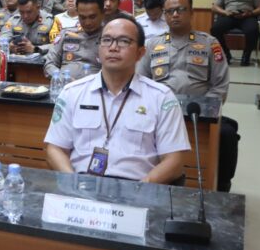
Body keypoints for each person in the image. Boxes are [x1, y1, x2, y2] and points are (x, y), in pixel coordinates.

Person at [44, 15, 190, 184]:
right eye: (106, 40)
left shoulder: (161, 97)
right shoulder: (72, 92)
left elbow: (175, 160)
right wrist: (73, 183)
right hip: (82, 186)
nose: (113, 47)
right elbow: (54, 149)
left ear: (140, 53)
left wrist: (141, 188)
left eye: (124, 41)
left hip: (136, 187)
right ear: (98, 49)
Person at [137, 0, 237, 192]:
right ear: (164, 15)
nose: (175, 15)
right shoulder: (152, 45)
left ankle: (221, 186)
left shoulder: (209, 44)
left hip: (198, 113)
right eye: (170, 11)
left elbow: (220, 85)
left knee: (227, 134)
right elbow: (141, 81)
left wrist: (206, 110)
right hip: (159, 113)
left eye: (180, 10)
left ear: (191, 13)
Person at [44, 0, 104, 80]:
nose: (87, 22)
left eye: (92, 17)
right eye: (82, 17)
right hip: (65, 85)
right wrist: (63, 78)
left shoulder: (110, 38)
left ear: (102, 13)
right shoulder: (66, 34)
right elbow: (49, 65)